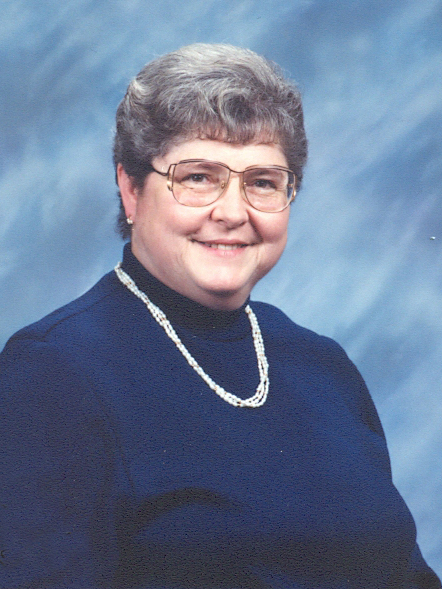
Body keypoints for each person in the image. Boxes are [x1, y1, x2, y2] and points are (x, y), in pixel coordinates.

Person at [0, 43, 440, 589]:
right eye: (198, 177)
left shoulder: (322, 365)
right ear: (131, 190)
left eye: (262, 182)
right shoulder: (52, 372)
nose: (232, 212)